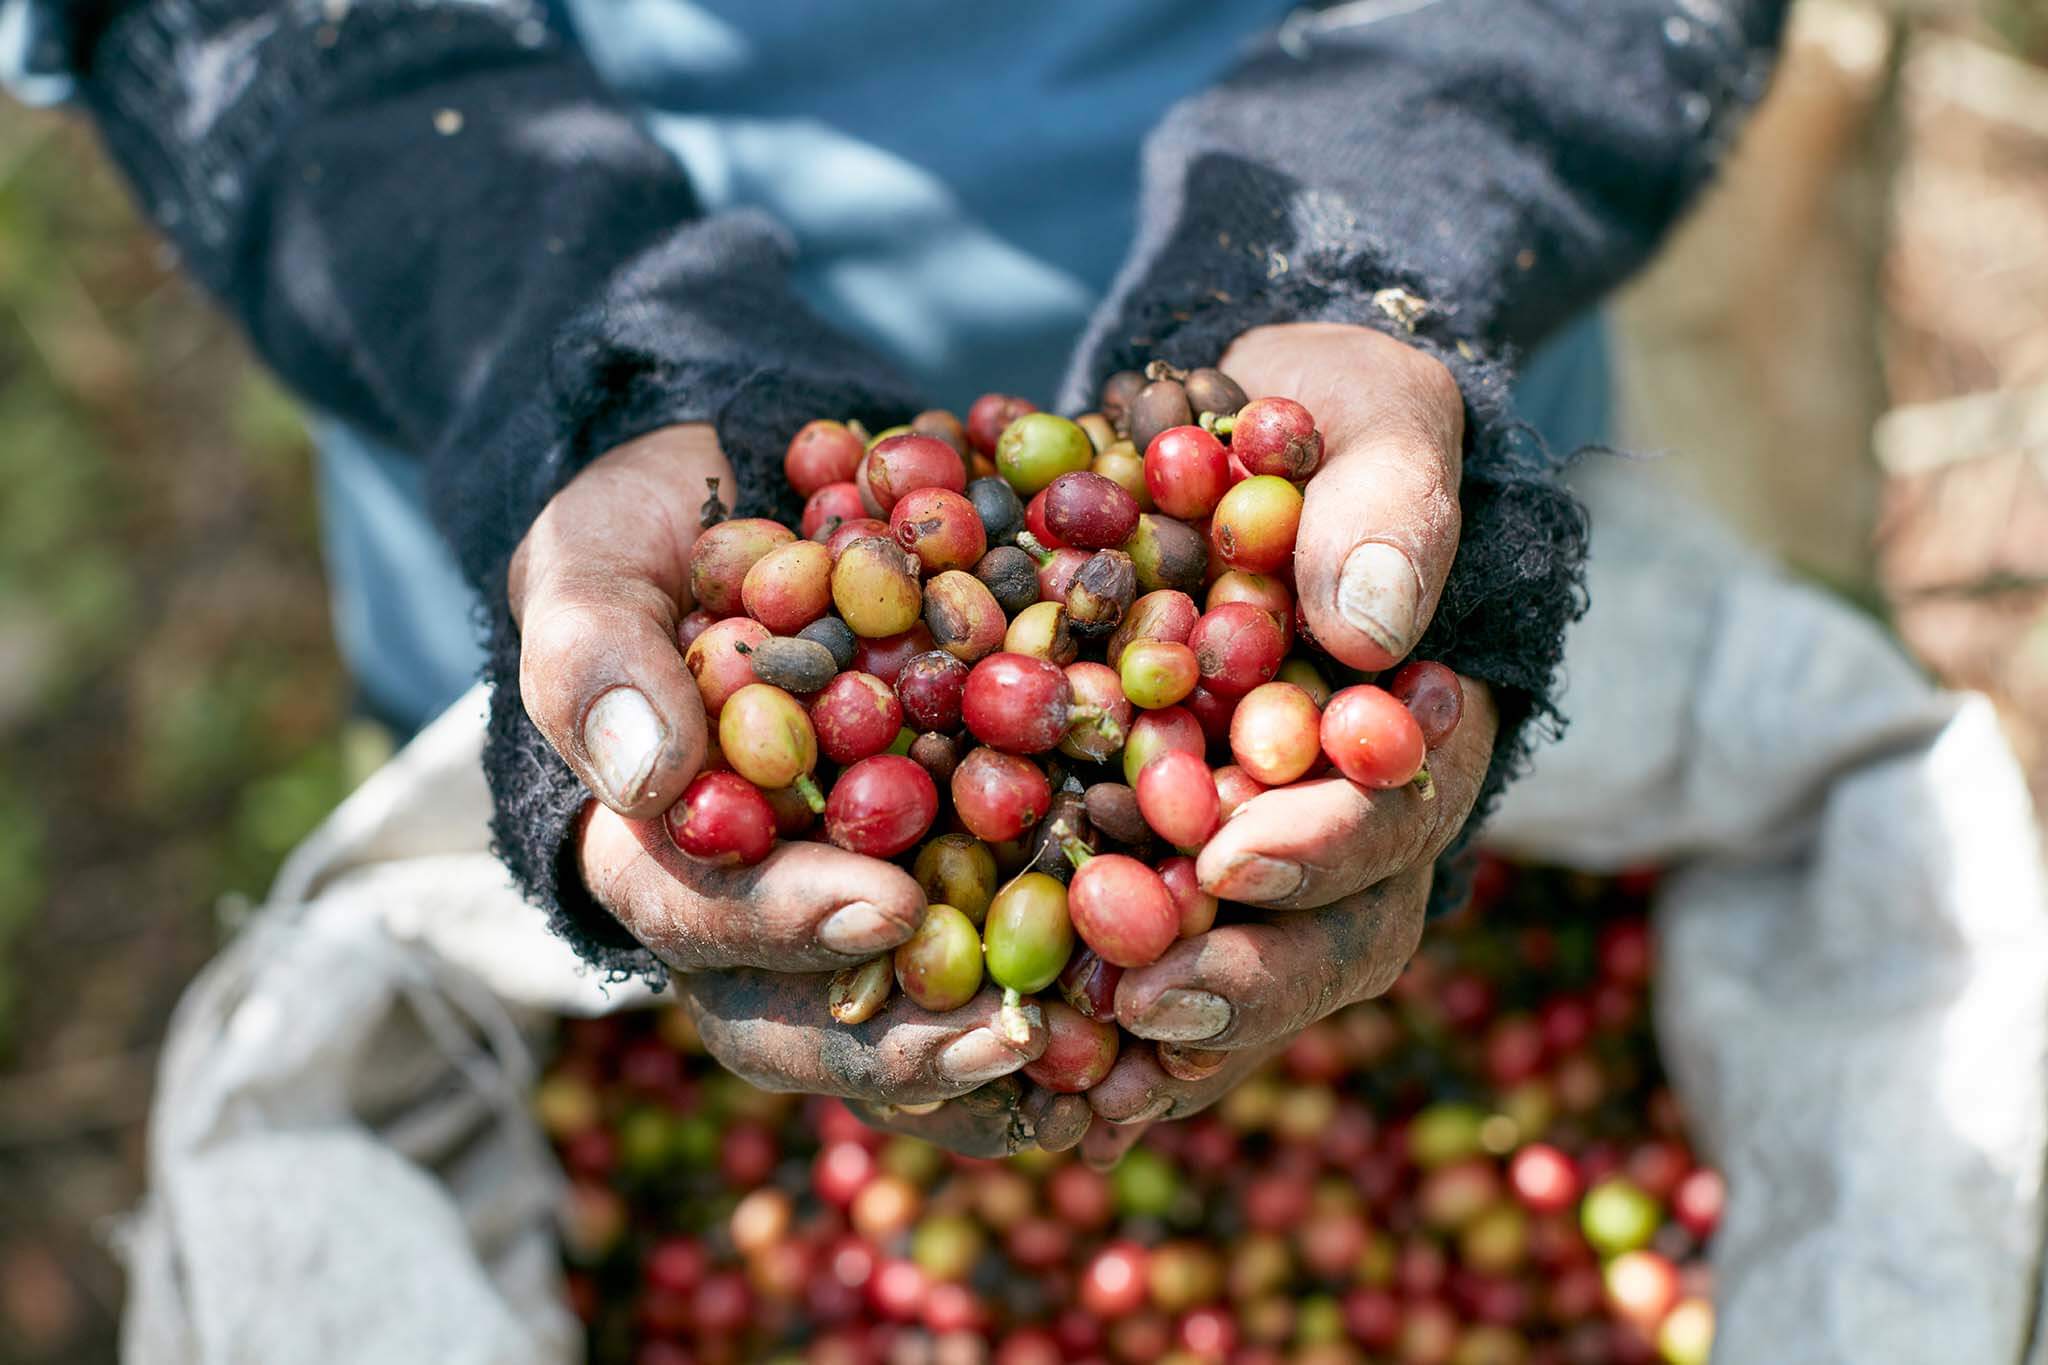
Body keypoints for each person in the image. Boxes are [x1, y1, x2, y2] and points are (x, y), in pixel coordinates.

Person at [4, 0, 1788, 1161]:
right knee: (674, 1035)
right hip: (568, 453)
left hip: (1383, 435)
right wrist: (563, 354)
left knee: (1387, 986)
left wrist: (1384, 238)